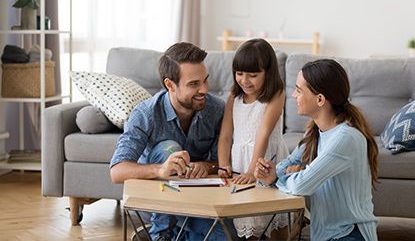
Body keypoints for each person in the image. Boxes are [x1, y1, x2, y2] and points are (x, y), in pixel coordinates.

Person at [110, 42, 227, 240]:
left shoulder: (216, 109)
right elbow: (117, 171)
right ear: (170, 85)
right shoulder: (145, 114)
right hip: (159, 202)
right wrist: (160, 170)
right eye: (194, 84)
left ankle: (175, 235)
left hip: (197, 200)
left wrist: (206, 166)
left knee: (223, 236)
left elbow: (221, 164)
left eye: (205, 81)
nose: (204, 89)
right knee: (169, 149)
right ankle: (161, 235)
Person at [255, 59, 379, 241]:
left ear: (320, 99)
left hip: (350, 234)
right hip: (325, 235)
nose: (293, 96)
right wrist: (269, 173)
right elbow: (286, 164)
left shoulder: (345, 138)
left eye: (299, 90)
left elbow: (301, 185)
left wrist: (275, 178)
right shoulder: (316, 131)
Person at [217, 38, 289, 239]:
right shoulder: (234, 97)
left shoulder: (276, 93)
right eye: (239, 74)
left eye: (253, 75)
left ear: (268, 73)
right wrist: (223, 165)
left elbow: (263, 132)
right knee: (249, 221)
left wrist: (252, 170)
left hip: (266, 160)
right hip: (241, 161)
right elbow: (225, 136)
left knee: (275, 220)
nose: (245, 80)